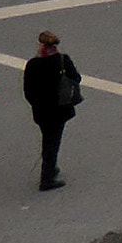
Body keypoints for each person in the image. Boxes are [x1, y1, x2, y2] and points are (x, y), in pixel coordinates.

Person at [21, 31, 82, 192]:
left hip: (41, 111)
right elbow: (76, 78)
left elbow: (28, 91)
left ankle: (49, 168)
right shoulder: (63, 60)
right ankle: (47, 176)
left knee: (48, 138)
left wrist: (36, 103)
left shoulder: (33, 64)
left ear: (41, 44)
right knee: (53, 141)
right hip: (60, 108)